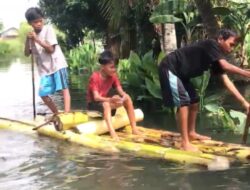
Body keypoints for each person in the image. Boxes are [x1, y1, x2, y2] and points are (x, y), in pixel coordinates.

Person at [158, 29, 250, 151]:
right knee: (183, 102)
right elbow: (226, 66)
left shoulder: (216, 58)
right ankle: (185, 143)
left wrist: (245, 103)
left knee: (194, 101)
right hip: (170, 67)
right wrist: (246, 73)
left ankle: (191, 133)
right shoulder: (211, 44)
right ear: (220, 39)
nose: (232, 49)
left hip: (181, 74)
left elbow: (226, 81)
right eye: (231, 44)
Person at [24, 7, 71, 114]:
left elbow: (50, 49)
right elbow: (27, 53)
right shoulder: (31, 35)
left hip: (57, 64)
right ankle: (56, 113)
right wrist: (28, 40)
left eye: (41, 20)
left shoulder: (48, 29)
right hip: (45, 70)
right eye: (36, 22)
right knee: (42, 94)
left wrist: (37, 39)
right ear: (30, 23)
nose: (39, 23)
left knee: (64, 88)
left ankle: (67, 114)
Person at [86, 50, 140, 140]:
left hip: (105, 103)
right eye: (111, 67)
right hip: (93, 106)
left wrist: (124, 97)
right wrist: (111, 100)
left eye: (115, 67)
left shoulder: (113, 76)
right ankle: (112, 133)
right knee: (106, 104)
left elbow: (121, 91)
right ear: (103, 66)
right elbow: (96, 97)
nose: (114, 70)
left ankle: (134, 128)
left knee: (128, 98)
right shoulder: (95, 77)